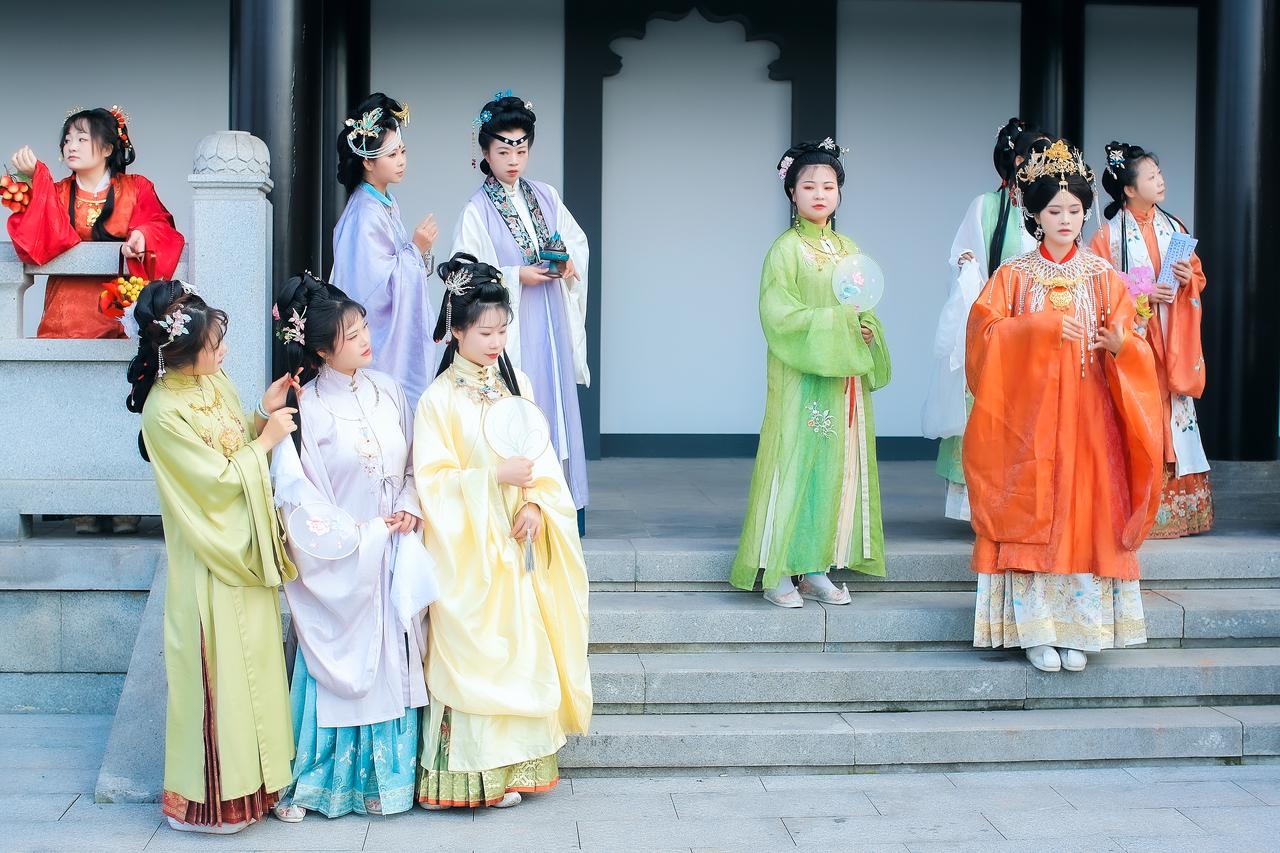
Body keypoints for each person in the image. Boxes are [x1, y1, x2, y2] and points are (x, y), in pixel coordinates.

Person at [965, 140, 1163, 673]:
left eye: (1074, 210)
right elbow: (982, 338)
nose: (1066, 220)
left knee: (1084, 511)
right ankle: (1034, 629)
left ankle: (1080, 628)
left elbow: (1134, 342)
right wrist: (1039, 328)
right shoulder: (1012, 276)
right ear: (1035, 214)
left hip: (1088, 420)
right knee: (1031, 512)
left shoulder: (1103, 277)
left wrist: (1120, 345)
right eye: (1055, 211)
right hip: (1026, 422)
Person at [413, 253, 591, 809]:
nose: (496, 342)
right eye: (485, 332)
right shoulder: (437, 400)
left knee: (520, 649)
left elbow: (543, 459)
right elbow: (432, 483)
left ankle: (519, 766)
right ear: (457, 331)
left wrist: (535, 503)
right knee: (477, 653)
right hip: (469, 554)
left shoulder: (519, 385)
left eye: (502, 330)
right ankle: (476, 775)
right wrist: (494, 477)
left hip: (516, 542)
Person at [124, 280, 297, 833]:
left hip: (240, 545)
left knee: (257, 673)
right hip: (209, 554)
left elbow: (231, 441)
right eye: (213, 344)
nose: (223, 352)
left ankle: (261, 791)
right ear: (180, 351)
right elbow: (215, 483)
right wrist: (265, 443)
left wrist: (260, 413)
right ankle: (210, 806)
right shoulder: (161, 412)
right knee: (217, 680)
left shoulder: (211, 380)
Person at [267, 273, 438, 820]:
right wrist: (363, 537)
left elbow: (414, 462)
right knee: (347, 666)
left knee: (393, 659)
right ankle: (325, 782)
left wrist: (409, 503)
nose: (367, 338)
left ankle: (392, 782)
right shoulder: (306, 410)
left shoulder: (388, 390)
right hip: (349, 559)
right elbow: (299, 501)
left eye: (364, 326)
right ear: (321, 350)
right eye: (352, 334)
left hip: (394, 549)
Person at [730, 139, 892, 609]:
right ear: (792, 192)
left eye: (829, 185)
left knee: (834, 469)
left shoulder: (848, 249)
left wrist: (866, 330)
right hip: (799, 376)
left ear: (839, 192)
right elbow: (778, 316)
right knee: (794, 462)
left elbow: (864, 307)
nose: (820, 193)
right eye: (809, 186)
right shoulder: (785, 251)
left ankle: (818, 566)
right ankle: (779, 569)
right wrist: (839, 323)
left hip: (842, 378)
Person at [9, 105, 184, 535]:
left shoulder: (136, 188)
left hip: (117, 311)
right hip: (65, 311)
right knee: (67, 407)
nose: (71, 145)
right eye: (67, 138)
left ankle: (125, 503)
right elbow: (42, 239)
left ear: (107, 147)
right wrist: (33, 180)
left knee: (124, 406)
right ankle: (77, 504)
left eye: (82, 138)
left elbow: (161, 226)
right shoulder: (58, 191)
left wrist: (141, 235)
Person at [450, 93, 590, 521]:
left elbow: (576, 244)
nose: (513, 160)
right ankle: (524, 506)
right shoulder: (476, 211)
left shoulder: (546, 196)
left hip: (553, 320)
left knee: (557, 410)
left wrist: (568, 263)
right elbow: (465, 273)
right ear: (485, 153)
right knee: (522, 405)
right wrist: (515, 276)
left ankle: (562, 508)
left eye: (521, 149)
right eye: (503, 151)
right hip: (514, 328)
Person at [922, 118, 1046, 520]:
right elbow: (965, 260)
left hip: (1043, 327)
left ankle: (1028, 503)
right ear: (1017, 160)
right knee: (990, 412)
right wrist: (967, 267)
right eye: (1037, 155)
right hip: (999, 325)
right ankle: (983, 504)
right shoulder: (987, 206)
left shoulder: (1051, 206)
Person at [1089, 141, 1211, 538]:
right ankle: (1135, 506)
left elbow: (1198, 277)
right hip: (1136, 341)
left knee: (1173, 413)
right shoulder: (1107, 236)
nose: (1160, 181)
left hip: (1171, 337)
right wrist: (1142, 295)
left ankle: (1174, 508)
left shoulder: (1175, 227)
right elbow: (1099, 291)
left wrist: (1186, 279)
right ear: (1128, 188)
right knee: (1139, 411)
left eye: (1159, 174)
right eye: (1151, 176)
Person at [330, 93, 439, 405]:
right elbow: (371, 290)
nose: (401, 160)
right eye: (391, 155)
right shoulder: (364, 214)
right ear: (367, 161)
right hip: (375, 338)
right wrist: (415, 249)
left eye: (402, 151)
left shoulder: (383, 202)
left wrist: (415, 253)